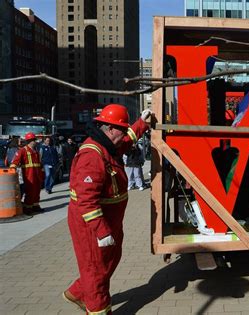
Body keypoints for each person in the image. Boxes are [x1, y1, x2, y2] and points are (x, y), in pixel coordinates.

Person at [63, 104, 152, 314]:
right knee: (96, 274)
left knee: (109, 261)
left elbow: (127, 139)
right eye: (122, 129)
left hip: (110, 221)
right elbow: (86, 200)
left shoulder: (108, 146)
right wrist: (101, 231)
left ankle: (76, 292)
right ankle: (97, 308)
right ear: (110, 129)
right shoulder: (91, 156)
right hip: (92, 227)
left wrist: (143, 123)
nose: (124, 135)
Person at [9, 132, 44, 214]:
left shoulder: (35, 151)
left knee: (37, 190)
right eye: (34, 140)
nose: (35, 142)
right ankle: (28, 207)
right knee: (30, 191)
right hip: (29, 175)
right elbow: (15, 161)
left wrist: (42, 172)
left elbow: (39, 163)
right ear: (30, 141)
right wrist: (12, 170)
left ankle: (35, 205)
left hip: (37, 174)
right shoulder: (22, 151)